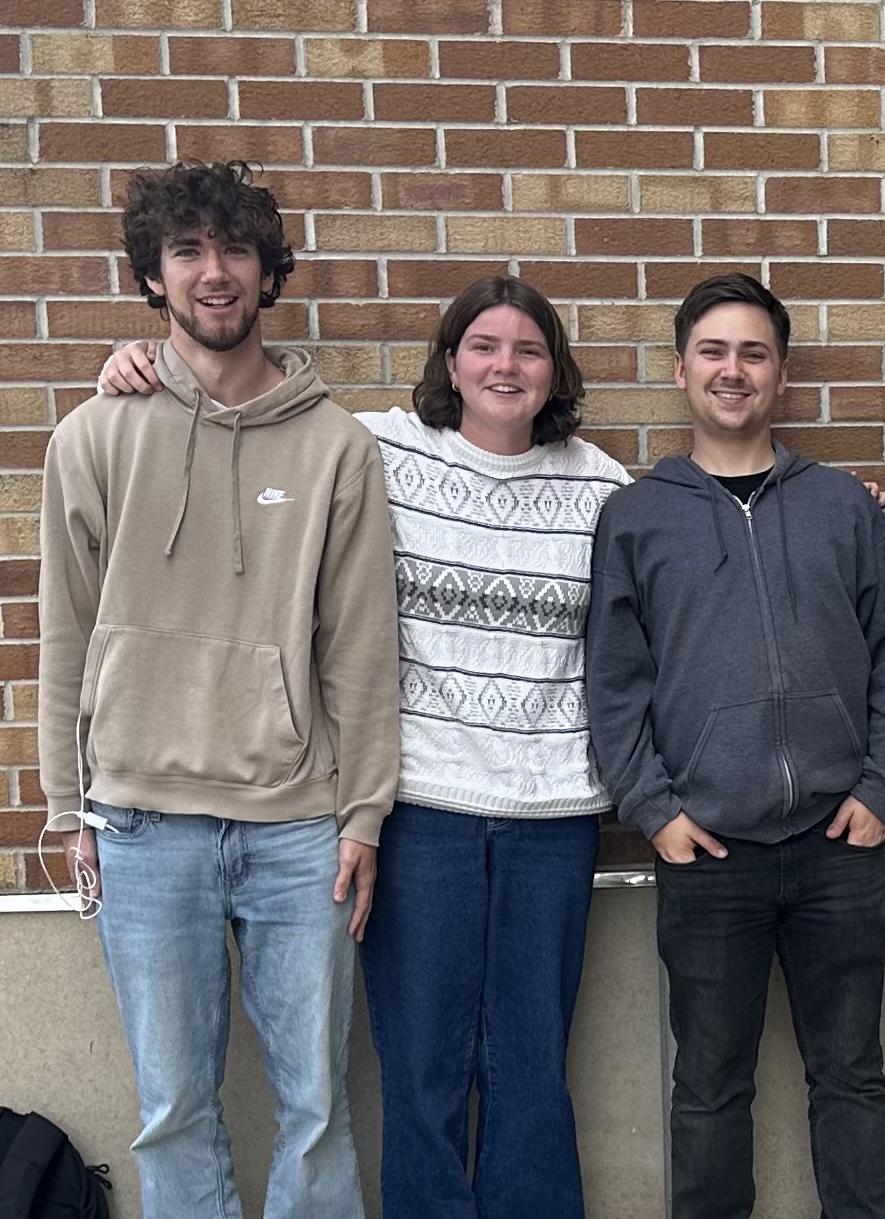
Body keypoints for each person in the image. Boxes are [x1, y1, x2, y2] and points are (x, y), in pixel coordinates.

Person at [97, 274, 631, 1219]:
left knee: (531, 1067)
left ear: (555, 371)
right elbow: (253, 417)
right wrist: (138, 368)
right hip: (419, 810)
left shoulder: (602, 485)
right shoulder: (380, 449)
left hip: (554, 815)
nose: (505, 365)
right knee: (420, 1068)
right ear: (451, 363)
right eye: (484, 346)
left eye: (529, 349)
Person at [40, 160, 399, 1219]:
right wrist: (69, 804)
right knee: (173, 1109)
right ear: (153, 274)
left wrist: (363, 811)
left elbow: (362, 649)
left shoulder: (338, 446)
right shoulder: (95, 434)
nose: (213, 272)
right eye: (188, 250)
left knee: (318, 1105)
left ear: (267, 271)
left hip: (298, 827)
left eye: (235, 249)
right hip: (143, 825)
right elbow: (64, 629)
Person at [586, 272, 885, 1219]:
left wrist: (883, 788)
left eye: (753, 353)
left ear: (778, 374)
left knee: (852, 1079)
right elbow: (615, 683)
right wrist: (655, 811)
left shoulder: (840, 507)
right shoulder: (638, 516)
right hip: (708, 853)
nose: (732, 371)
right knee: (707, 1088)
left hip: (838, 845)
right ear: (682, 369)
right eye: (713, 351)